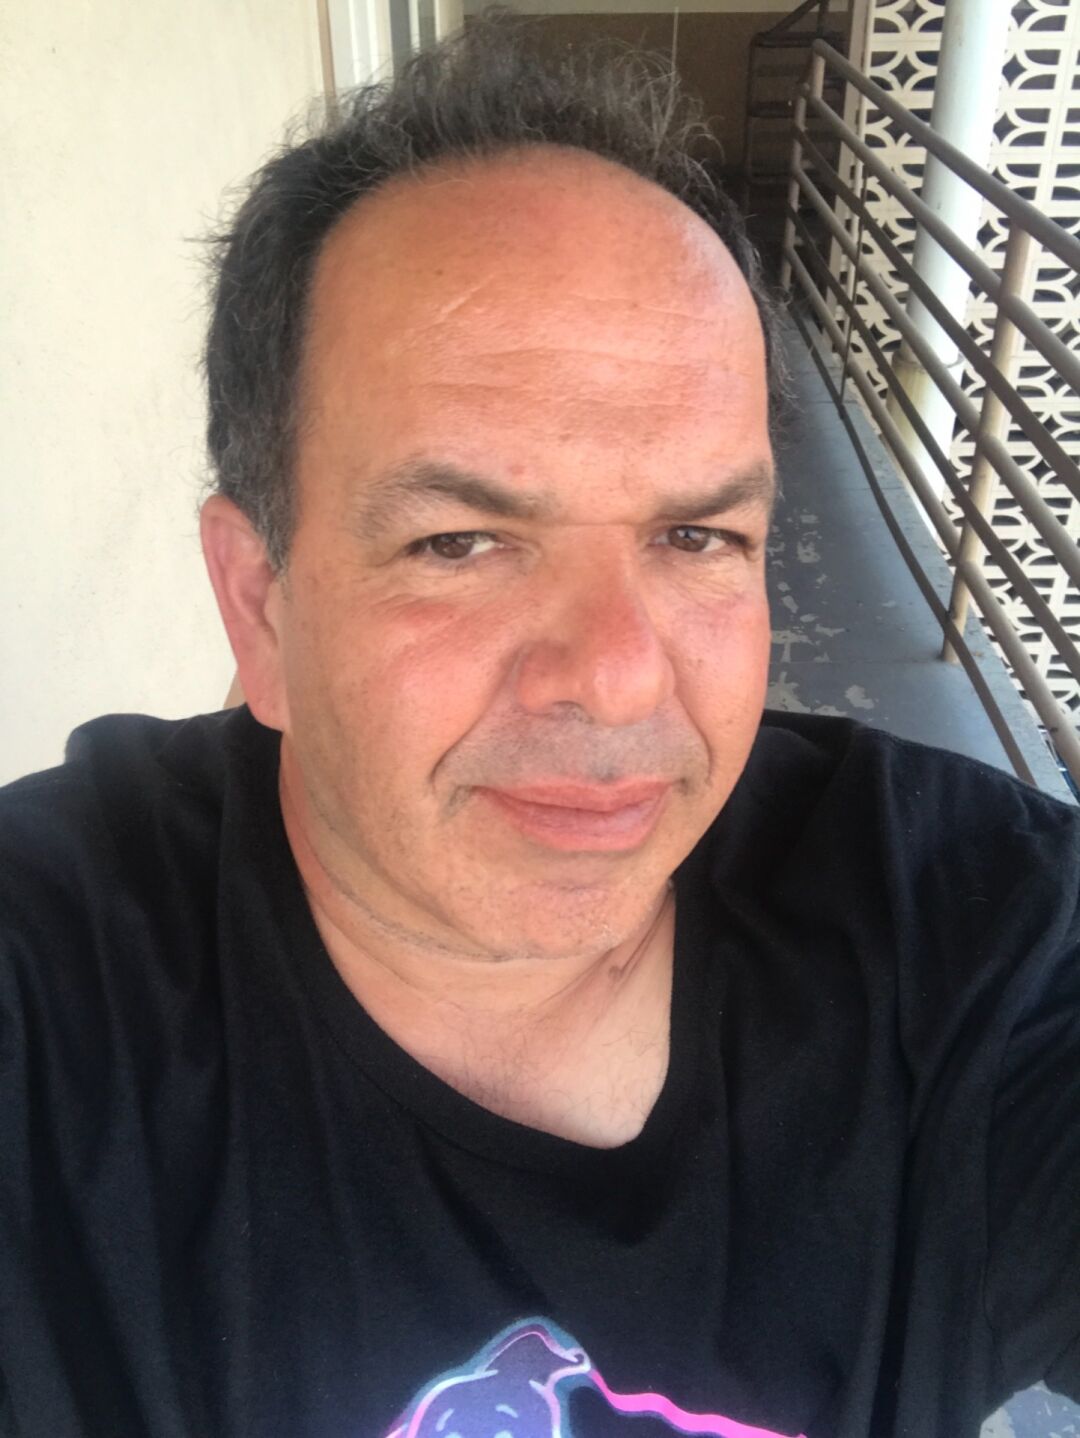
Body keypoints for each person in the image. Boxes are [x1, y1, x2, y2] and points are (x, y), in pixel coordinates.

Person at [1, 17, 1077, 1438]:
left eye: (696, 535)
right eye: (459, 543)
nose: (619, 679)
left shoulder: (969, 943)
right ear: (261, 606)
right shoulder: (53, 1002)